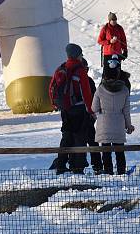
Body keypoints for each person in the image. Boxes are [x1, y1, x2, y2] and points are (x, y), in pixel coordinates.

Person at [48, 43, 95, 174]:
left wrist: (55, 104)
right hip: (79, 110)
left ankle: (61, 164)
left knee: (66, 137)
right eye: (80, 54)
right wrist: (91, 111)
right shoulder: (80, 70)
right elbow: (86, 93)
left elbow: (51, 87)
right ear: (77, 55)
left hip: (65, 110)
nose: (81, 57)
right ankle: (78, 167)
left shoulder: (61, 68)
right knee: (80, 138)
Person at [92, 65, 134, 174]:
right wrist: (128, 125)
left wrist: (100, 114)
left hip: (104, 124)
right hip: (119, 124)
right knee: (120, 151)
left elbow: (94, 108)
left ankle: (108, 172)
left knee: (106, 152)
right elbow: (126, 110)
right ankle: (121, 172)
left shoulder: (100, 89)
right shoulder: (124, 89)